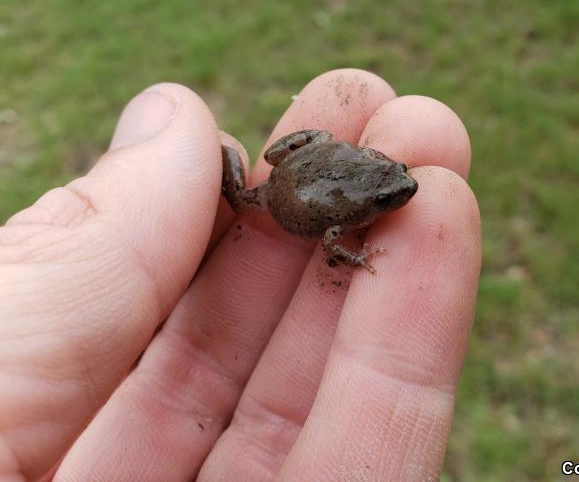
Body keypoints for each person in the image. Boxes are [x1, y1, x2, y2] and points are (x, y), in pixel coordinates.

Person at [0, 69, 480, 481]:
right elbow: (332, 248)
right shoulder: (339, 223)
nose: (404, 189)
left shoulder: (368, 180)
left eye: (393, 177)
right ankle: (230, 173)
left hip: (301, 165)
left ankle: (237, 167)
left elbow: (330, 170)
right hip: (280, 201)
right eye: (386, 200)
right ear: (365, 209)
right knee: (253, 196)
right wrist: (357, 260)